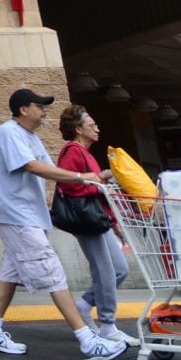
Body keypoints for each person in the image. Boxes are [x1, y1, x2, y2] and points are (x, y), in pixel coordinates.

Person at [0, 89, 127, 360]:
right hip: (17, 216)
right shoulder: (8, 133)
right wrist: (83, 177)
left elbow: (55, 171)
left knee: (9, 275)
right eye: (40, 105)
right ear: (23, 109)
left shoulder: (30, 137)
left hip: (28, 216)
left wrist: (99, 176)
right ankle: (88, 340)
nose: (45, 110)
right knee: (53, 274)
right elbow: (33, 167)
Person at [57, 105, 139, 347]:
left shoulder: (87, 154)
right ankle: (107, 325)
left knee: (119, 270)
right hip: (87, 221)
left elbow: (98, 194)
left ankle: (84, 306)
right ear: (78, 129)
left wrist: (114, 222)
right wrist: (100, 180)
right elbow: (68, 186)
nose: (97, 129)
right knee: (105, 272)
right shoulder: (72, 151)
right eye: (92, 126)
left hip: (98, 219)